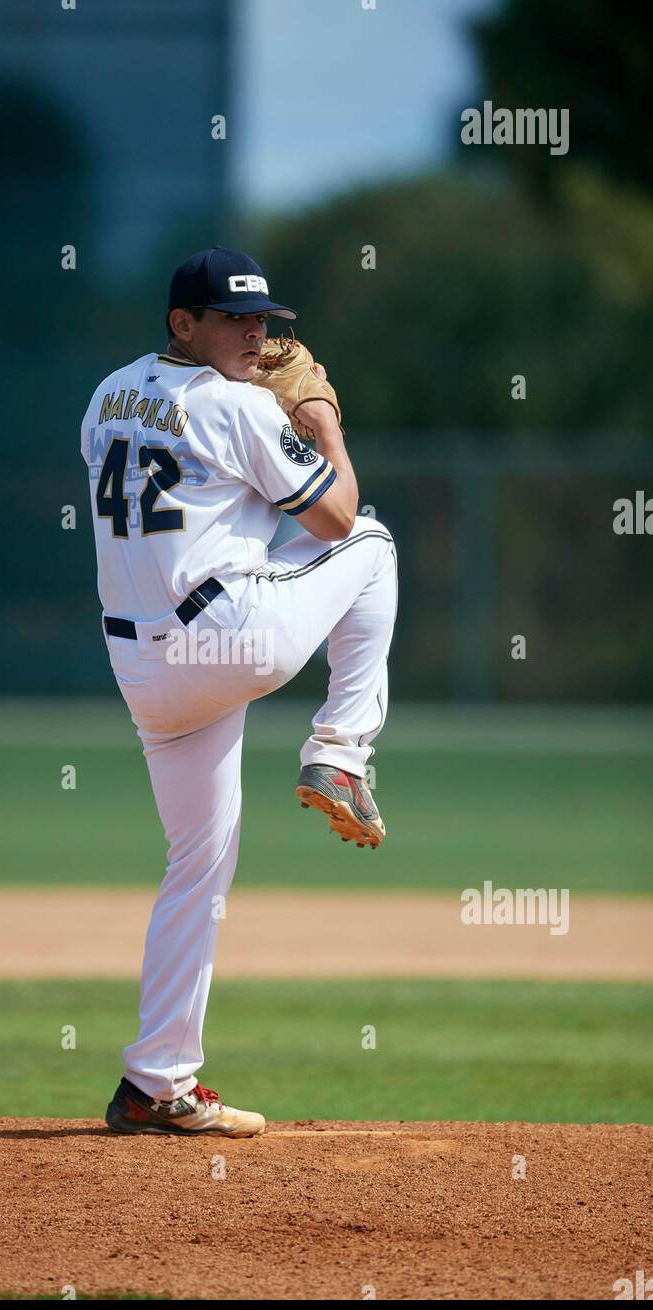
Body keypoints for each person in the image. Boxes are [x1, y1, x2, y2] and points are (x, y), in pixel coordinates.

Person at [80, 247, 398, 1138]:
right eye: (231, 317)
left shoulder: (107, 393)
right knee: (370, 542)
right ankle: (339, 753)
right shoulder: (237, 406)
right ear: (182, 323)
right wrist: (322, 419)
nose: (256, 334)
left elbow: (210, 502)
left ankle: (156, 1082)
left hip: (145, 672)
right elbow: (333, 513)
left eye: (261, 319)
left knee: (199, 869)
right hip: (226, 635)